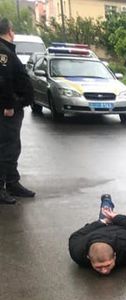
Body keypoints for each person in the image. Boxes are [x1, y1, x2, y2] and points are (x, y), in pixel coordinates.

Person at [68, 194, 126, 275]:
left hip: (124, 229)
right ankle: (106, 200)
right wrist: (102, 222)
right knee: (105, 217)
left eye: (107, 265)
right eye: (99, 267)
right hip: (102, 228)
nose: (104, 271)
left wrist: (116, 217)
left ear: (114, 256)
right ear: (88, 257)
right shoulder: (78, 254)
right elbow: (75, 236)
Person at [0, 18, 35, 204]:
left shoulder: (6, 50)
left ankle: (12, 182)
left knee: (13, 147)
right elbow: (3, 80)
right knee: (6, 148)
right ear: (9, 31)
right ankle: (1, 187)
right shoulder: (3, 52)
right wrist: (8, 105)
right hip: (8, 109)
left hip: (14, 106)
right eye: (12, 30)